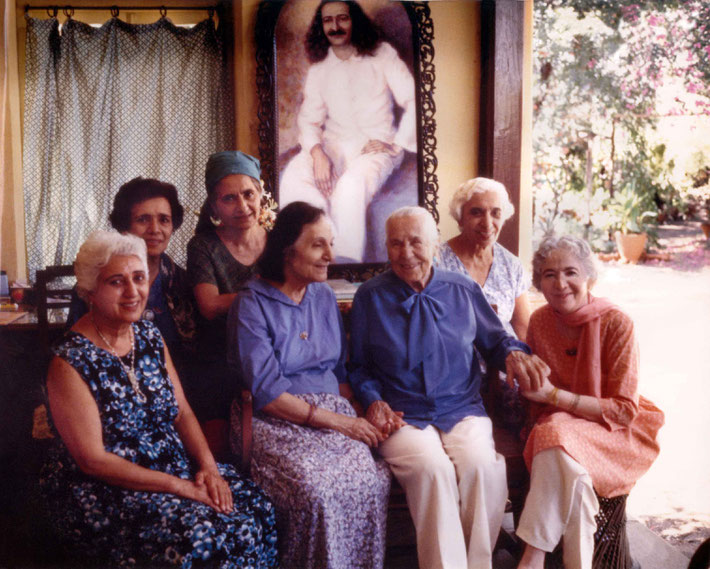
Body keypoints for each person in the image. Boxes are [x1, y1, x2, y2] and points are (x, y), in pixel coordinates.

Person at [40, 230, 278, 568]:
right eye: (116, 282)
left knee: (256, 507)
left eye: (138, 278)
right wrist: (180, 488)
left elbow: (181, 412)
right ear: (90, 290)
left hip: (172, 468)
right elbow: (93, 460)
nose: (133, 291)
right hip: (108, 492)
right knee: (206, 537)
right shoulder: (69, 362)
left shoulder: (149, 336)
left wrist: (209, 470)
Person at [349, 206, 551, 569]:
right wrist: (373, 399)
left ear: (436, 244)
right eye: (396, 243)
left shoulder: (462, 289)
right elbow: (358, 367)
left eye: (415, 242)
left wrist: (515, 355)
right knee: (432, 471)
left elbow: (496, 339)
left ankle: (477, 564)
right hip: (401, 413)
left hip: (461, 407)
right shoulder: (370, 296)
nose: (406, 252)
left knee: (483, 469)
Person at [227, 202, 391, 569]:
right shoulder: (251, 303)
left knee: (370, 479)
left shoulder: (323, 296)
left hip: (333, 415)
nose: (330, 255)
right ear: (288, 249)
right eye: (318, 245)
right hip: (273, 420)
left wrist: (367, 411)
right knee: (315, 490)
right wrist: (344, 423)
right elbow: (267, 393)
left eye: (330, 244)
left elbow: (340, 373)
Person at [516, 235, 664, 569]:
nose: (561, 283)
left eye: (570, 272)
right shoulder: (539, 321)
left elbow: (624, 410)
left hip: (614, 432)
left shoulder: (617, 322)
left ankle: (531, 557)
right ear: (539, 280)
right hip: (558, 431)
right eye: (549, 274)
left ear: (589, 276)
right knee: (574, 474)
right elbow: (536, 398)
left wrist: (554, 396)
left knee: (553, 431)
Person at [279, 0, 416, 262]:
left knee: (350, 188)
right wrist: (318, 154)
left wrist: (396, 144)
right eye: (328, 21)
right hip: (333, 144)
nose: (335, 26)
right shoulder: (320, 70)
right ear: (321, 27)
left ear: (355, 21)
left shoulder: (382, 54)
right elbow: (309, 121)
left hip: (375, 147)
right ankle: (311, 260)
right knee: (294, 179)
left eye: (342, 18)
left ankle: (344, 266)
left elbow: (414, 99)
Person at [68, 177, 197, 374]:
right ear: (123, 227)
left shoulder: (185, 283)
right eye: (143, 219)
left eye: (164, 220)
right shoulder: (94, 286)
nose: (155, 230)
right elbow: (74, 353)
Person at [187, 151, 268, 433]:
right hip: (221, 359)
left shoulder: (280, 240)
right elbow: (209, 305)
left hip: (274, 351)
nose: (243, 206)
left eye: (248, 194)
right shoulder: (203, 246)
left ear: (260, 194)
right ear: (213, 206)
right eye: (229, 198)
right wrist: (270, 297)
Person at [437, 177, 531, 340]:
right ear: (460, 217)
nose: (487, 223)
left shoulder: (512, 265)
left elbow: (523, 330)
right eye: (476, 212)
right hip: (455, 362)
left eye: (495, 213)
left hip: (507, 361)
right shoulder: (436, 261)